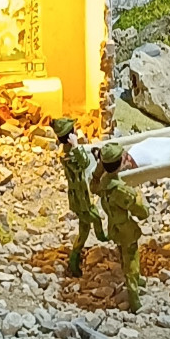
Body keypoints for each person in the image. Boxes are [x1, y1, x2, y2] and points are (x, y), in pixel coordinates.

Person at [96, 144, 149, 311]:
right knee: (131, 259)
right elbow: (141, 211)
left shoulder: (102, 183)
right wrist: (139, 198)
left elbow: (93, 183)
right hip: (126, 228)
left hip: (114, 226)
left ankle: (136, 279)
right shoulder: (121, 190)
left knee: (122, 252)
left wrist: (100, 167)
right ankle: (134, 297)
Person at [53, 117, 106, 277]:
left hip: (80, 194)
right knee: (94, 217)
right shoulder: (70, 155)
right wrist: (76, 146)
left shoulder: (67, 152)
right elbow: (84, 163)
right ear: (70, 136)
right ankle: (102, 236)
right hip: (81, 197)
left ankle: (74, 260)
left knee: (84, 229)